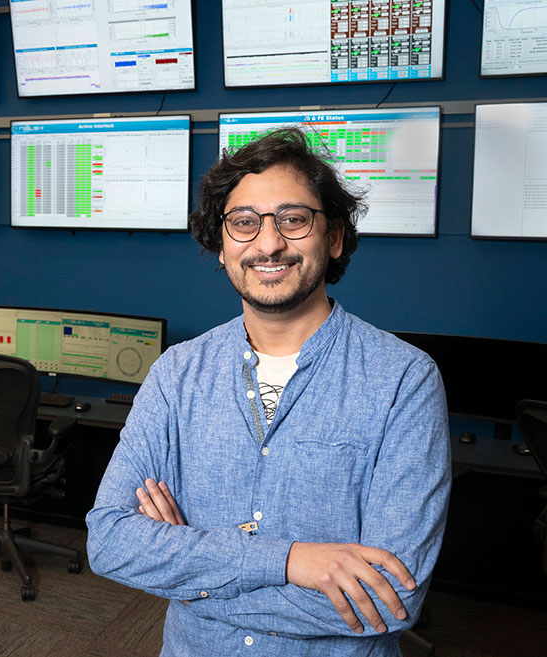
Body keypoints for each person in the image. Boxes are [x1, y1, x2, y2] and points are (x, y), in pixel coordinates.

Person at [85, 128, 451, 656]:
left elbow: (389, 597)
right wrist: (289, 560)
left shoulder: (403, 381)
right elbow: (112, 541)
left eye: (293, 219)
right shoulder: (176, 374)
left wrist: (187, 577)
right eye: (244, 223)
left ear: (335, 237)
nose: (269, 243)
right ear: (221, 245)